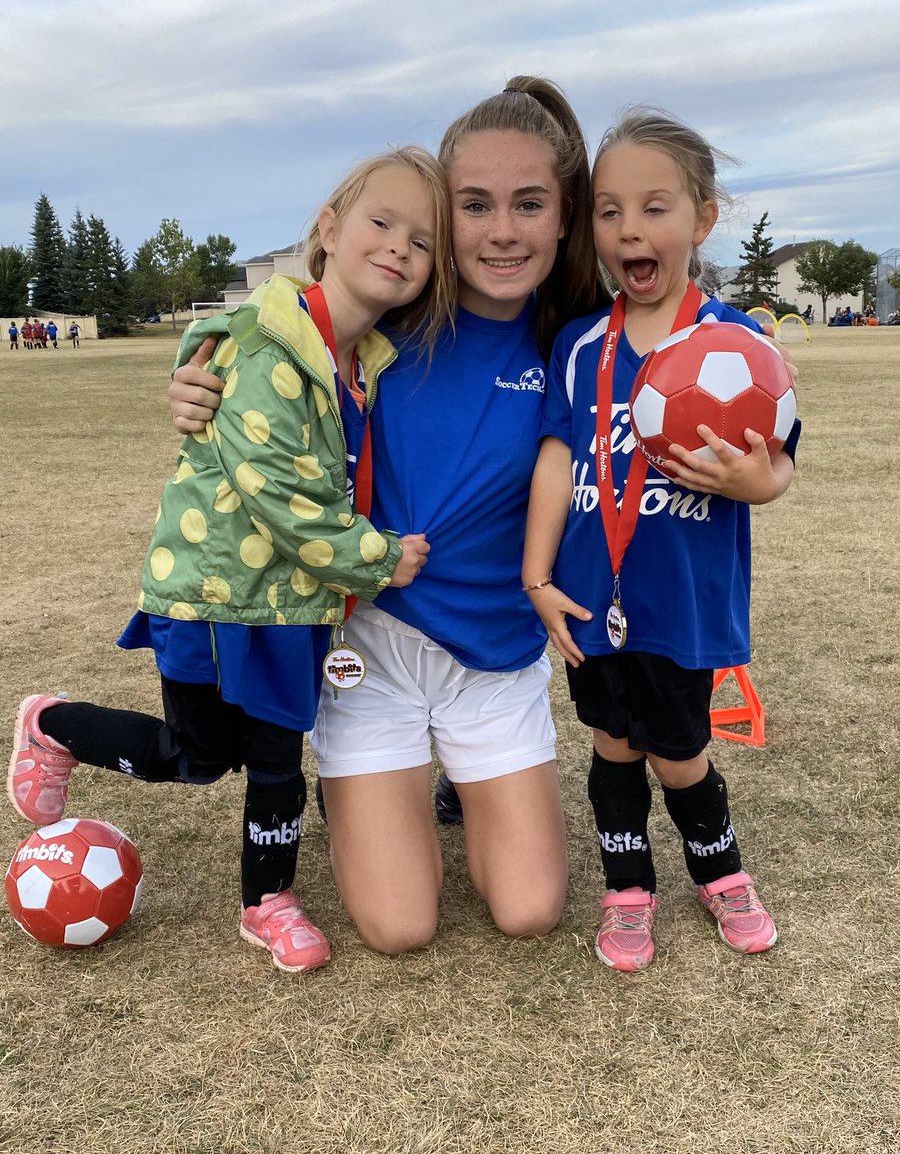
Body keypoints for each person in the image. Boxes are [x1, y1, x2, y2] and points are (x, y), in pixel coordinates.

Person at [170, 77, 610, 955]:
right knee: (399, 928)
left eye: (529, 205)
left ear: (565, 217)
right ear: (443, 219)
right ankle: (380, 786)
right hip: (368, 649)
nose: (502, 231)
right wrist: (198, 376)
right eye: (474, 205)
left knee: (529, 910)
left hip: (494, 660)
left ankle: (456, 779)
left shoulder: (580, 344)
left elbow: (687, 348)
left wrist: (767, 441)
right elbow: (273, 337)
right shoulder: (381, 326)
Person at [8, 146, 453, 973]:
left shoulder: (369, 361)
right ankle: (51, 724)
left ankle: (267, 901)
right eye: (381, 222)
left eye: (422, 242)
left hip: (295, 607)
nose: (400, 247)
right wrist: (379, 559)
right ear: (328, 227)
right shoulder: (264, 345)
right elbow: (280, 495)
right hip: (213, 597)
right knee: (198, 757)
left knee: (280, 759)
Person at [522, 107, 801, 973]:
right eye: (609, 211)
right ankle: (627, 888)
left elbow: (777, 463)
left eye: (654, 207)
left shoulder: (738, 344)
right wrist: (535, 574)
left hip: (680, 601)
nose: (629, 229)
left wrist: (756, 482)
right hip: (589, 599)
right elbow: (555, 459)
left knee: (680, 753)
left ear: (702, 218)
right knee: (612, 744)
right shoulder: (579, 347)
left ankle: (720, 873)